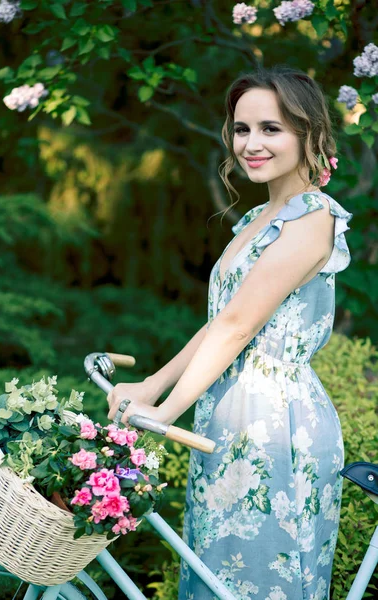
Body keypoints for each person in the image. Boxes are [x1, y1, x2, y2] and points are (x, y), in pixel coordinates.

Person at [107, 64, 353, 600]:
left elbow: (240, 327)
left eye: (271, 128)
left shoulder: (312, 220)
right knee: (218, 576)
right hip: (230, 412)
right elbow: (222, 322)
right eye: (242, 129)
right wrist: (151, 387)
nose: (251, 143)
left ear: (308, 133)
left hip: (275, 424)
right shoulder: (259, 217)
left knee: (255, 583)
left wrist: (165, 412)